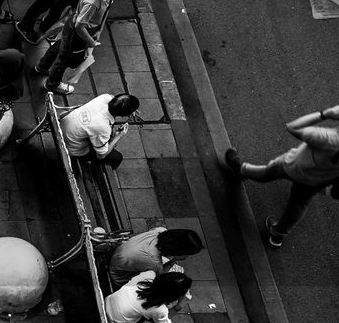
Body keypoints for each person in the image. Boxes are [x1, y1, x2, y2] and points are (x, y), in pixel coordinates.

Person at [224, 104, 339, 248]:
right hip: (318, 181)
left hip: (295, 166)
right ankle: (277, 235)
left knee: (267, 173)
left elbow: (293, 127)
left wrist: (325, 114)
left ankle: (241, 169)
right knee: (298, 204)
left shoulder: (331, 139)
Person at [33, 0, 141, 95]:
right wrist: (91, 42)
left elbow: (106, 10)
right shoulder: (92, 2)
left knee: (60, 46)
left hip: (85, 28)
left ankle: (42, 67)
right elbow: (79, 26)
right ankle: (52, 84)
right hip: (77, 32)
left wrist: (99, 30)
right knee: (64, 58)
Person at [104, 270, 191, 323]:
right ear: (175, 296)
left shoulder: (145, 280)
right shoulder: (160, 309)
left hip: (105, 304)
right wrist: (178, 307)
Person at [60, 92, 138, 170]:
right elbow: (101, 155)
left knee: (99, 136)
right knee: (117, 157)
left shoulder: (104, 98)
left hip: (62, 128)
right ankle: (93, 167)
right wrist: (118, 136)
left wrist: (129, 110)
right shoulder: (103, 128)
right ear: (124, 115)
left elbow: (114, 98)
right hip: (71, 147)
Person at [109, 227, 204, 289]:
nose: (186, 257)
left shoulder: (160, 230)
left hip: (119, 256)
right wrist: (174, 260)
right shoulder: (153, 262)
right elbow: (160, 277)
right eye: (186, 254)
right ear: (178, 250)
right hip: (118, 276)